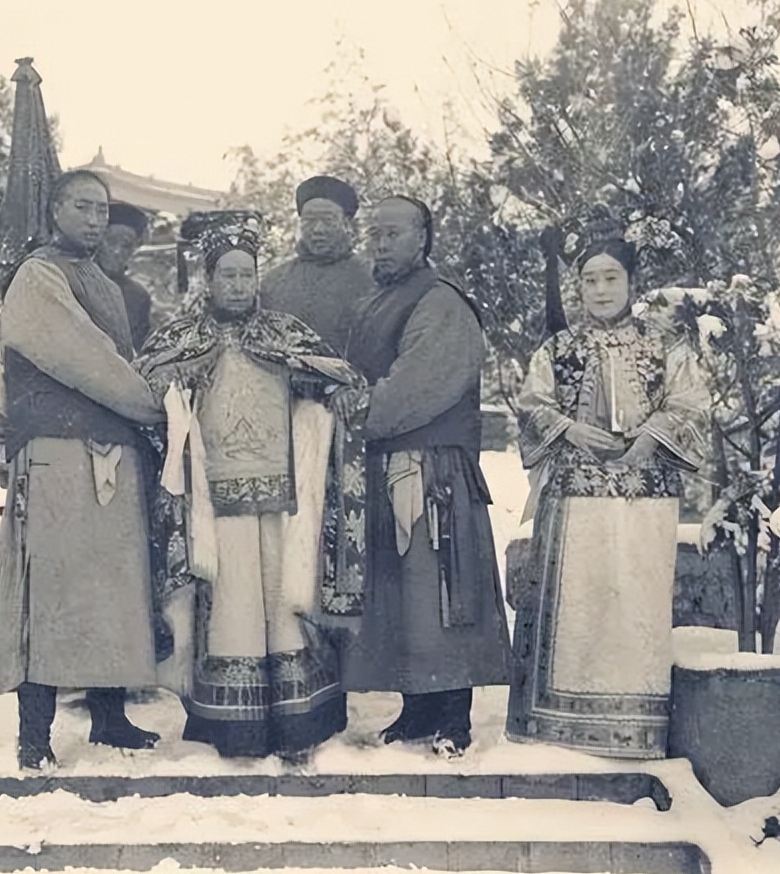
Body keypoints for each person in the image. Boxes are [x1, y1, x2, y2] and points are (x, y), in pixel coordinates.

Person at [135, 212, 368, 762]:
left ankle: (299, 723)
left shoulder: (283, 334)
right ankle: (233, 727)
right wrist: (170, 390)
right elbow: (143, 388)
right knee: (231, 610)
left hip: (282, 498)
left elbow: (337, 379)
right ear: (209, 279)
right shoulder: (181, 338)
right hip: (214, 500)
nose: (239, 286)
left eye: (247, 275)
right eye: (229, 275)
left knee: (285, 607)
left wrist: (332, 398)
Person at [0, 170, 165, 770]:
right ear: (56, 211)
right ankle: (35, 736)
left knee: (113, 589)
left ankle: (109, 717)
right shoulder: (38, 275)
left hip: (113, 453)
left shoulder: (104, 282)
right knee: (48, 594)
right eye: (83, 207)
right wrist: (152, 404)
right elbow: (87, 359)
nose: (96, 219)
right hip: (57, 453)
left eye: (102, 209)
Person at [506, 238, 707, 759]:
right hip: (574, 500)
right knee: (578, 604)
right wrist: (569, 429)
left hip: (646, 497)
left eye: (611, 277)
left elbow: (691, 406)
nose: (600, 289)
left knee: (634, 602)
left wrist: (651, 437)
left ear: (631, 282)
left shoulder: (666, 347)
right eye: (590, 280)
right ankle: (557, 723)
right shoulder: (557, 349)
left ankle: (636, 726)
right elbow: (531, 406)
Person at [341, 195, 512, 755]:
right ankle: (415, 709)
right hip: (385, 463)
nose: (382, 243)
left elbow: (415, 387)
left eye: (394, 233)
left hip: (433, 469)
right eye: (376, 234)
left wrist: (355, 409)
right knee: (403, 598)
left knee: (442, 592)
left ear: (423, 238)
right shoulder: (376, 302)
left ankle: (453, 718)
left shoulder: (441, 302)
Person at [260, 176, 376, 355]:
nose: (318, 229)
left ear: (346, 224)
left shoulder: (370, 279)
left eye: (328, 220)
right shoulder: (274, 281)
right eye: (309, 220)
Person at [96, 201, 154, 351]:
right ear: (99, 240)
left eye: (126, 245)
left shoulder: (138, 297)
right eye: (111, 241)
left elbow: (136, 349)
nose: (117, 251)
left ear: (134, 248)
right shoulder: (72, 278)